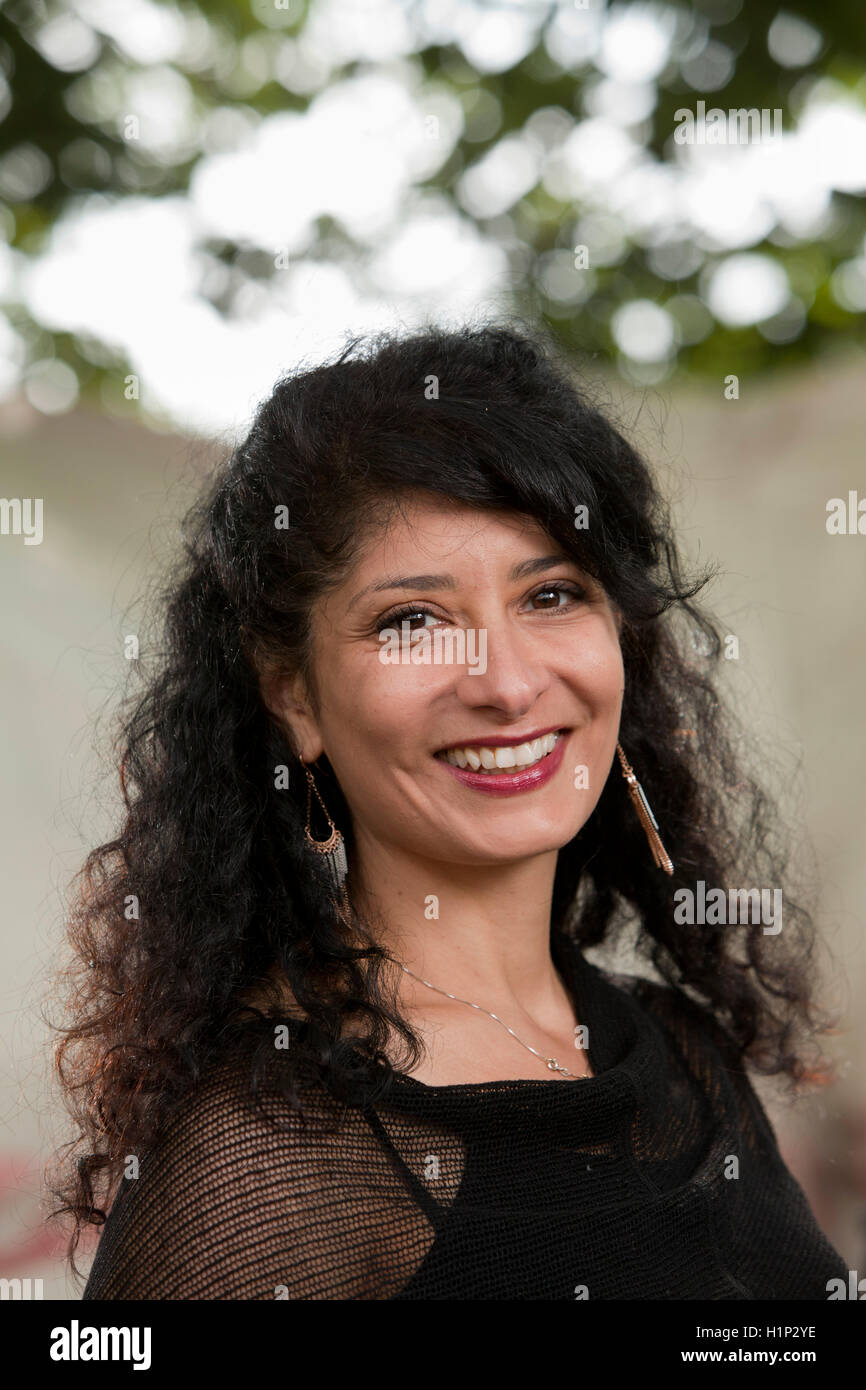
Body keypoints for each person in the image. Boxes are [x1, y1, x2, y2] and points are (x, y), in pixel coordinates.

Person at [53, 324, 847, 1299]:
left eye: (551, 594)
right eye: (412, 620)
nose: (507, 685)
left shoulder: (680, 1053)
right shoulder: (273, 1152)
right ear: (293, 694)